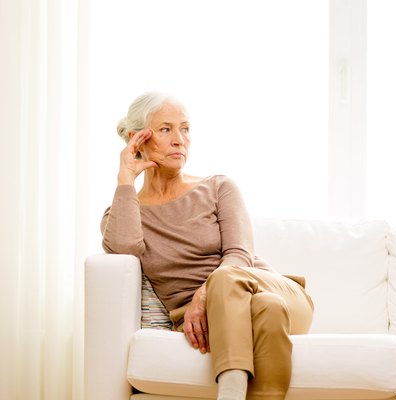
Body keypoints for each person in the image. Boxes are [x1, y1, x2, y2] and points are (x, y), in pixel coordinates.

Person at [101, 92, 314, 400]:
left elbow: (239, 255)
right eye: (165, 130)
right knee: (266, 311)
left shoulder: (217, 187)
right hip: (236, 317)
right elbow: (123, 247)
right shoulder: (122, 213)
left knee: (231, 281)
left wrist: (206, 293)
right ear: (137, 139)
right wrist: (125, 178)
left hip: (275, 291)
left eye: (185, 129)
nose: (179, 140)